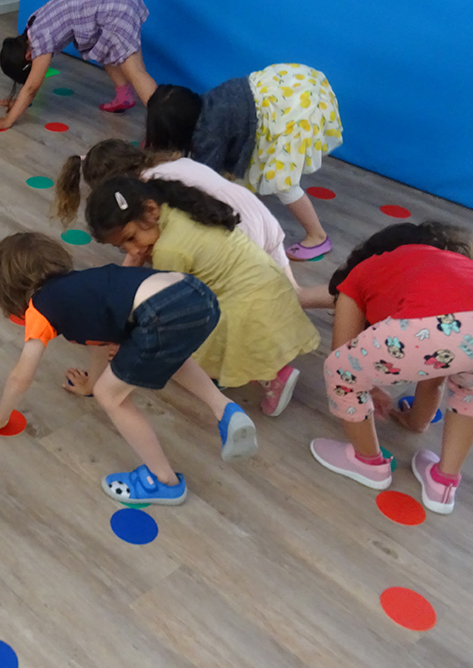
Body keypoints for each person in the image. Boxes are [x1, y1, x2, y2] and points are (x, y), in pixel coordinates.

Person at [0, 232, 255, 506]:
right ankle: (225, 410)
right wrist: (90, 386)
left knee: (113, 396)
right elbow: (98, 344)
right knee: (168, 353)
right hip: (195, 293)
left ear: (10, 289)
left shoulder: (40, 307)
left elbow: (21, 376)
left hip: (160, 312)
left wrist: (1, 418)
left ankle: (164, 481)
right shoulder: (83, 288)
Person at [310, 222, 473, 514]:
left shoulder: (359, 276)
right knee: (471, 390)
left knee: (340, 370)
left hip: (445, 327)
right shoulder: (444, 268)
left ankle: (367, 463)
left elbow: (343, 355)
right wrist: (416, 422)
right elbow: (433, 378)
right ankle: (443, 484)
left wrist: (371, 387)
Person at [84, 177, 321, 417]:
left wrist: (128, 343)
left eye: (131, 238)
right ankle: (239, 369)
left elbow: (164, 305)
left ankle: (272, 377)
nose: (133, 251)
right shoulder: (175, 206)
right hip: (267, 283)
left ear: (151, 210)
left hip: (247, 305)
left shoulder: (169, 250)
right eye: (123, 247)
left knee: (183, 344)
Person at [55, 139, 333, 308]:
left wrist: (119, 292)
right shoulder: (173, 164)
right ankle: (348, 302)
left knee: (226, 311)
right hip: (262, 221)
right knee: (294, 295)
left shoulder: (151, 191)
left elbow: (146, 253)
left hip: (241, 238)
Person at [145, 64, 343, 260]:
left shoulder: (208, 133)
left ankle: (318, 236)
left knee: (282, 182)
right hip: (288, 85)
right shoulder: (207, 102)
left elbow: (205, 181)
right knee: (254, 172)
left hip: (295, 107)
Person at [0, 0, 157, 131]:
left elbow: (31, 87)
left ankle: (163, 127)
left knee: (135, 71)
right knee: (104, 47)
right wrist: (18, 104)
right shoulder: (33, 23)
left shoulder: (39, 40)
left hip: (116, 11)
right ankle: (123, 95)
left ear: (28, 55)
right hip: (111, 7)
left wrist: (8, 120)